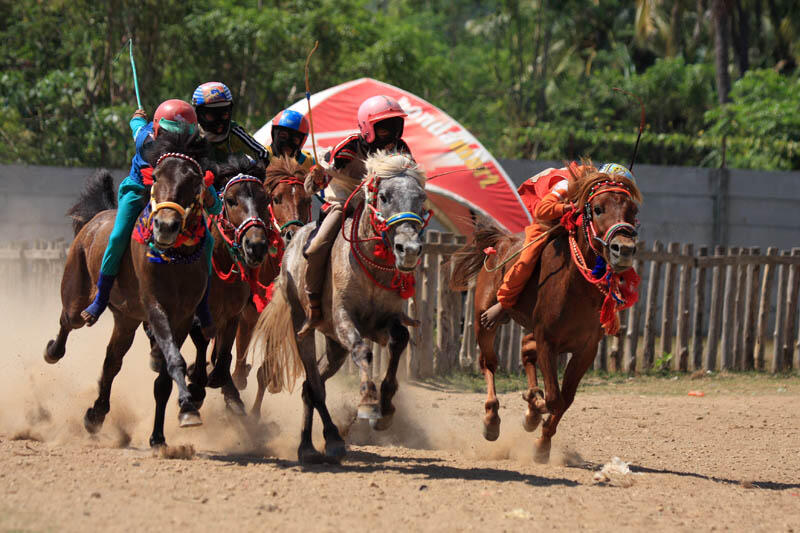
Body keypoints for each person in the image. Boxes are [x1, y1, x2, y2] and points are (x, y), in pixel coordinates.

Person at [82, 100, 221, 335]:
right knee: (117, 237)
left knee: (207, 241)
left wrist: (212, 201)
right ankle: (101, 297)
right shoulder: (144, 138)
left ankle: (203, 307)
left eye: (183, 135)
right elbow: (136, 124)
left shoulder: (194, 153)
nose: (175, 142)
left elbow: (210, 195)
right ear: (156, 129)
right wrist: (137, 116)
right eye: (168, 134)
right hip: (139, 190)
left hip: (173, 198)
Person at [299, 95, 413, 334]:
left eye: (395, 125)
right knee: (316, 246)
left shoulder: (401, 149)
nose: (391, 133)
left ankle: (394, 306)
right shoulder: (350, 146)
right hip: (345, 202)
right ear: (367, 128)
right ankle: (314, 306)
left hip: (380, 209)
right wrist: (317, 176)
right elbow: (320, 179)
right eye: (384, 128)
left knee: (408, 242)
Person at [479, 162, 637, 329]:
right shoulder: (567, 185)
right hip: (549, 222)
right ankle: (503, 303)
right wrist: (571, 207)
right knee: (527, 258)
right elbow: (542, 210)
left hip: (579, 227)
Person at [191, 81, 269, 165]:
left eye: (224, 114)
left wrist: (254, 170)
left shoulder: (235, 131)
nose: (219, 121)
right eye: (212, 115)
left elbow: (263, 154)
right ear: (198, 114)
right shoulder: (192, 137)